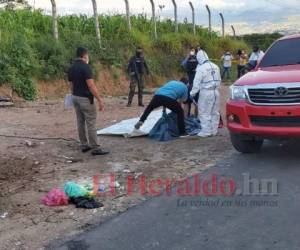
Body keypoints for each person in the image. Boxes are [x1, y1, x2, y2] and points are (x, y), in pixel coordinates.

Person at [68, 47, 109, 156]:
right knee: (91, 123)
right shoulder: (86, 67)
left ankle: (84, 144)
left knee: (80, 122)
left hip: (75, 97)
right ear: (84, 55)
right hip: (85, 99)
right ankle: (95, 147)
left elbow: (71, 86)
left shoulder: (71, 68)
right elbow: (91, 85)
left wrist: (74, 96)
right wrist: (99, 100)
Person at [191, 50, 221, 137]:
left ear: (199, 58)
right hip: (216, 92)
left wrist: (192, 93)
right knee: (215, 112)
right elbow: (220, 79)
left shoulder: (201, 68)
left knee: (204, 112)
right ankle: (214, 130)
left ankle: (206, 131)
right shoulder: (216, 66)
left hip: (206, 92)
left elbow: (196, 83)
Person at [181, 47, 199, 116]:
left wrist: (187, 57)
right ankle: (196, 118)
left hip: (190, 84)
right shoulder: (198, 61)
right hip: (197, 86)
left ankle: (186, 117)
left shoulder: (188, 61)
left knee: (187, 103)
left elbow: (183, 64)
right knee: (196, 103)